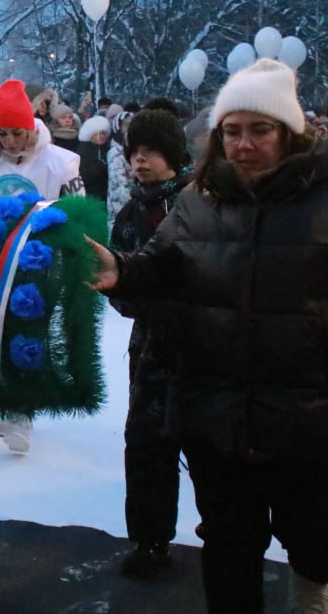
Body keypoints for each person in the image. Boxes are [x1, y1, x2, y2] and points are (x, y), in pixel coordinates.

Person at [87, 59, 328, 614]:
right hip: (215, 408)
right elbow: (164, 264)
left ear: (288, 132)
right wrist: (124, 271)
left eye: (259, 129)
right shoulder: (199, 201)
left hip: (314, 413)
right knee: (228, 543)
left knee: (315, 535)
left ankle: (313, 583)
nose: (244, 144)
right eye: (232, 130)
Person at [107, 102, 191, 579]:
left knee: (206, 444)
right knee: (145, 443)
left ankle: (224, 534)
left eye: (152, 151)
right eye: (135, 151)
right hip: (151, 345)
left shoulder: (199, 203)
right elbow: (121, 279)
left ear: (174, 155)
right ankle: (150, 539)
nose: (141, 160)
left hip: (204, 343)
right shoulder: (130, 212)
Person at [0, 78, 83, 453]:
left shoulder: (59, 162)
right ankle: (6, 400)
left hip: (39, 262)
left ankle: (22, 409)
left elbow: (75, 211)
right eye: (4, 134)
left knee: (29, 334)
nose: (10, 142)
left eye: (17, 134)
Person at [78, 114, 111, 202]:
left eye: (103, 133)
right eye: (96, 134)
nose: (100, 136)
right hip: (91, 196)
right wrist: (98, 167)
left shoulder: (110, 150)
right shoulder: (82, 152)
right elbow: (83, 176)